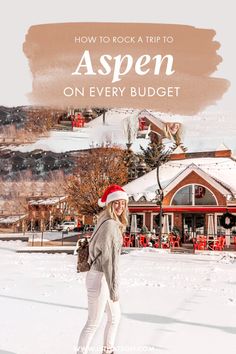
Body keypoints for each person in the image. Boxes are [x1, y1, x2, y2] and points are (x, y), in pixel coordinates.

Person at [77, 184, 129, 354]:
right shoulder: (111, 226)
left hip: (98, 276)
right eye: (116, 203)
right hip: (101, 277)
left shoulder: (104, 220)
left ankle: (108, 350)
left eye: (123, 203)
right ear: (109, 204)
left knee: (115, 317)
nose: (120, 206)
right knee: (93, 322)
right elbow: (110, 262)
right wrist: (114, 290)